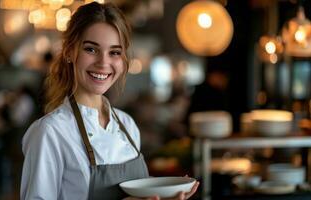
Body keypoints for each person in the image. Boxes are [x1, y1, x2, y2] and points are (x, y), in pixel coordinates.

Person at [20, 2, 199, 200]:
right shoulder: (50, 133)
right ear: (70, 51)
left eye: (114, 52)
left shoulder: (128, 126)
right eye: (91, 49)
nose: (103, 63)